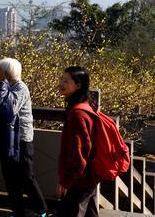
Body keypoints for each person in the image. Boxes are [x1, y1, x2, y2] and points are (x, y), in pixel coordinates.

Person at [0, 58, 47, 217]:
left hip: (22, 139)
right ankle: (17, 211)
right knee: (10, 177)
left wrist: (0, 88)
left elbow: (9, 109)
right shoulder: (3, 87)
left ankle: (41, 210)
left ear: (6, 74)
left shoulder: (21, 88)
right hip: (7, 139)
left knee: (27, 176)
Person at [57, 66, 100, 217]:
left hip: (80, 178)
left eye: (66, 81)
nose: (61, 84)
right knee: (90, 212)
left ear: (78, 85)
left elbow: (79, 151)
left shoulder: (77, 113)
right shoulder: (87, 106)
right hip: (89, 175)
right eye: (61, 80)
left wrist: (66, 180)